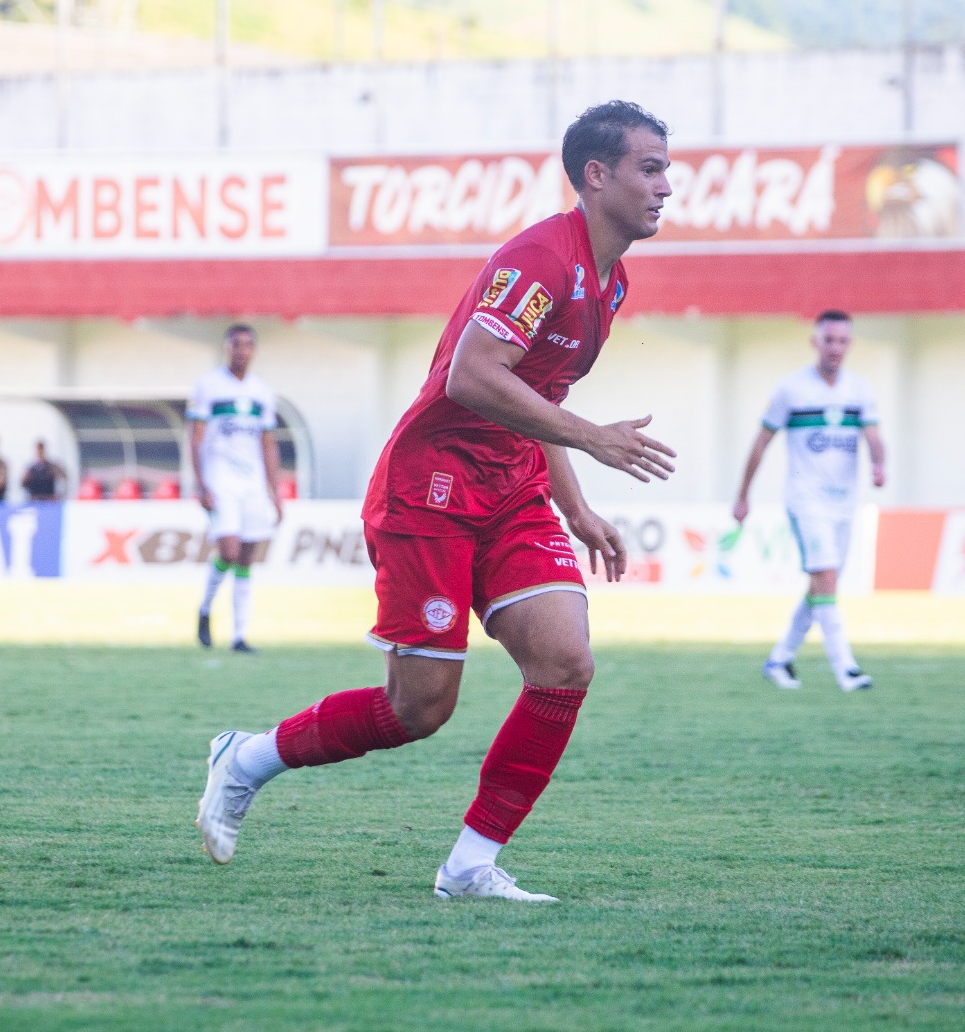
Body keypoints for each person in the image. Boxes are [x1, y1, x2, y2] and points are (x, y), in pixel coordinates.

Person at [196, 101, 677, 902]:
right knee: (419, 710)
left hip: (514, 486)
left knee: (565, 664)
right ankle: (245, 758)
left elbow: (534, 394)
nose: (667, 187)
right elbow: (472, 377)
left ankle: (469, 867)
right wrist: (594, 437)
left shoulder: (609, 280)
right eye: (650, 168)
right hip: (434, 489)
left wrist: (575, 504)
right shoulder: (541, 263)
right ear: (597, 176)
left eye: (666, 168)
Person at [733, 309, 885, 692]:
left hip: (844, 504)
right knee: (827, 579)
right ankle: (846, 669)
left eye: (843, 341)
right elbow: (761, 442)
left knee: (823, 586)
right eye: (829, 340)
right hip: (807, 502)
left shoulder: (860, 390)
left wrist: (880, 465)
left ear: (849, 344)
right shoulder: (791, 390)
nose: (836, 347)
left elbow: (873, 436)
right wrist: (743, 495)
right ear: (815, 342)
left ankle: (780, 659)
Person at [188, 324, 284, 654]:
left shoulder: (262, 392)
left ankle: (239, 635)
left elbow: (268, 443)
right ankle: (205, 609)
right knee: (228, 551)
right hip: (220, 479)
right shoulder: (209, 386)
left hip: (253, 483)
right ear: (226, 348)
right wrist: (201, 483)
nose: (241, 350)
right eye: (235, 344)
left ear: (254, 350)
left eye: (247, 345)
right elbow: (196, 437)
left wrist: (276, 491)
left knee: (246, 557)